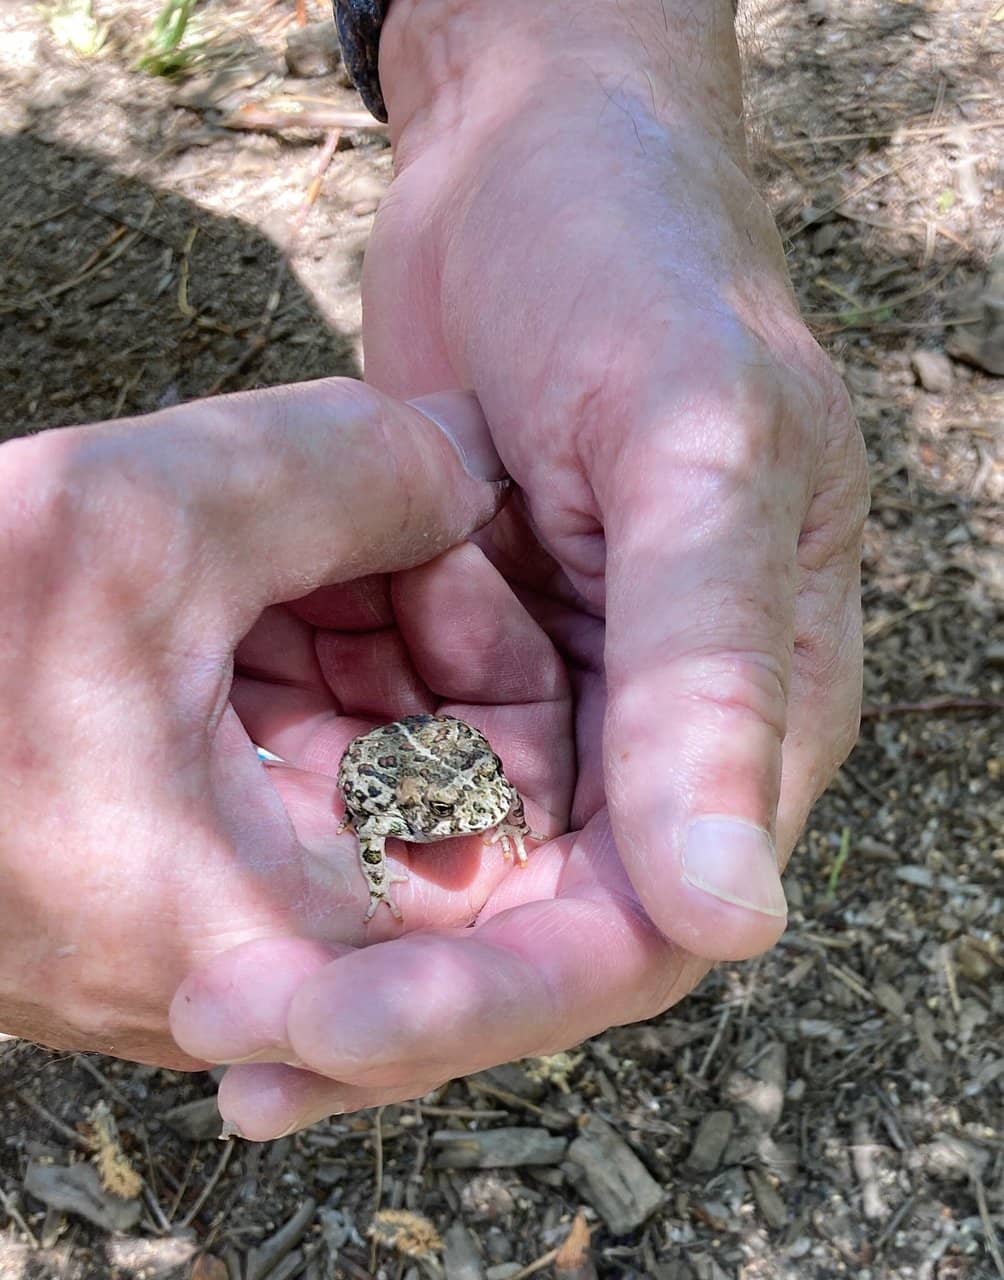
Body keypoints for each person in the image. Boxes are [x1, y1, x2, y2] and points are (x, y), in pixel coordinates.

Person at [0, 0, 867, 1140]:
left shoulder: (465, 774)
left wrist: (518, 72)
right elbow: (380, 796)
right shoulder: (390, 789)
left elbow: (464, 782)